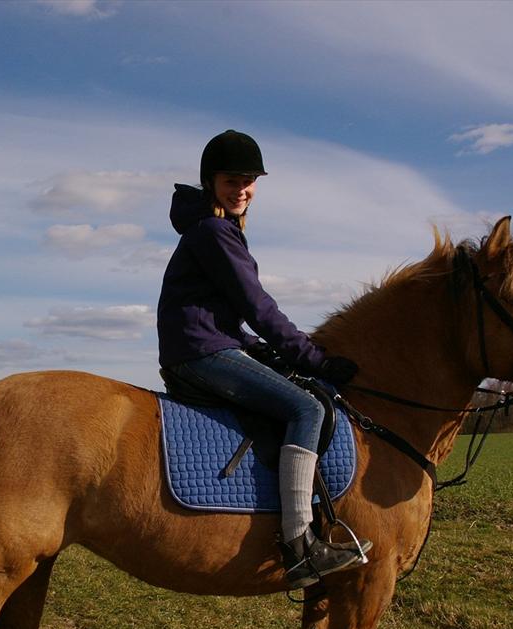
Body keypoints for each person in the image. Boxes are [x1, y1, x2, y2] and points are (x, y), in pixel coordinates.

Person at [157, 129, 369, 589]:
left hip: (204, 344)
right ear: (211, 182)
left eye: (250, 180)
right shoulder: (214, 231)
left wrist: (260, 351)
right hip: (199, 352)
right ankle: (300, 545)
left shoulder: (214, 230)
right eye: (233, 180)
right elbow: (258, 306)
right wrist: (312, 358)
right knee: (307, 406)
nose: (243, 189)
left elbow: (224, 316)